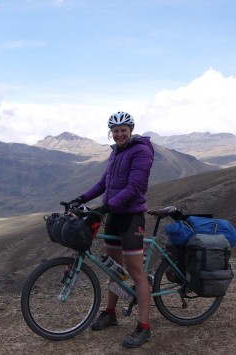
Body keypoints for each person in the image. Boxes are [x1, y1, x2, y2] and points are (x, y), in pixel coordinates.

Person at [70, 111, 154, 348]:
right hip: (115, 215)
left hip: (131, 217)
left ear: (131, 129)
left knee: (136, 272)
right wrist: (81, 198)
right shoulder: (115, 152)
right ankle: (111, 313)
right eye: (115, 131)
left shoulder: (141, 151)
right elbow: (104, 183)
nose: (119, 134)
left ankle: (144, 327)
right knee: (114, 270)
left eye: (123, 130)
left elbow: (135, 186)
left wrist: (106, 207)